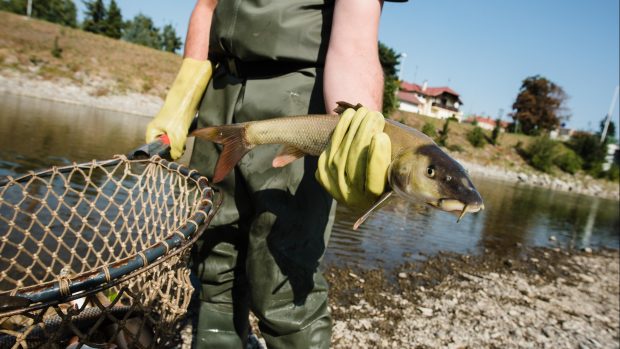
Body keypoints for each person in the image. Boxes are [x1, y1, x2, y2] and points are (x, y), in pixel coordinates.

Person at [145, 0, 403, 347]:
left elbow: (355, 42)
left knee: (284, 273)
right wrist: (185, 91)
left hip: (301, 99)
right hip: (220, 89)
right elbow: (207, 6)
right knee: (213, 254)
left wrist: (357, 133)